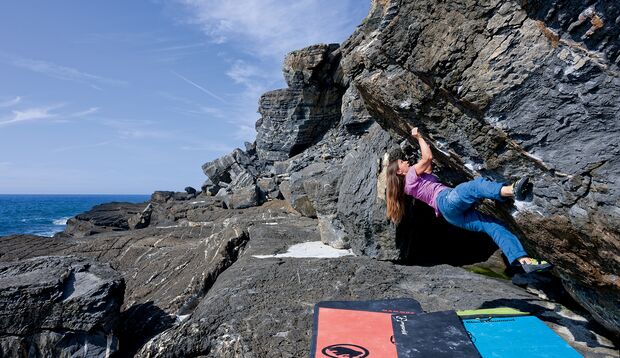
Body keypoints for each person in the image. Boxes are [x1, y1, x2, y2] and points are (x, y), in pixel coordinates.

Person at [386, 126, 551, 273]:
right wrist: (419, 137)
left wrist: (426, 146)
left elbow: (428, 167)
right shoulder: (410, 176)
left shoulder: (410, 185)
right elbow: (427, 159)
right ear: (399, 172)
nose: (406, 161)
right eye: (402, 162)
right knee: (474, 187)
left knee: (494, 226)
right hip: (446, 200)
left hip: (451, 216)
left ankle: (523, 260)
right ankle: (512, 190)